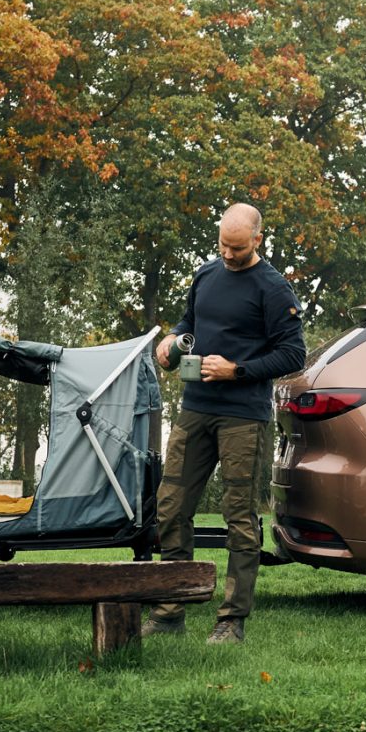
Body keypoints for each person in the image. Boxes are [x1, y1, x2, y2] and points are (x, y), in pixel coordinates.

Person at [143, 203, 305, 644]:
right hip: (195, 408)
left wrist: (237, 370)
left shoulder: (274, 288)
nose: (229, 255)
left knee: (239, 517)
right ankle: (169, 611)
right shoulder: (206, 275)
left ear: (257, 239)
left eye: (237, 248)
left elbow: (293, 354)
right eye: (223, 246)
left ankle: (232, 620)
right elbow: (190, 322)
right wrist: (171, 340)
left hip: (243, 417)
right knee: (171, 506)